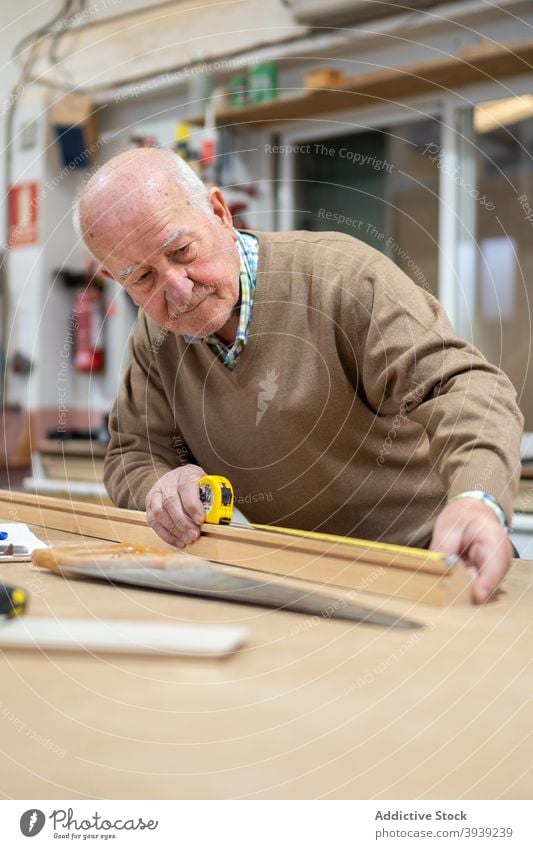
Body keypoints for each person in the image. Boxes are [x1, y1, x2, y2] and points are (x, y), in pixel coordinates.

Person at [75, 147, 523, 603]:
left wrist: (477, 498)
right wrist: (161, 487)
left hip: (439, 562)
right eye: (143, 278)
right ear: (116, 279)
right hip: (307, 578)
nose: (179, 289)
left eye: (182, 251)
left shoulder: (343, 278)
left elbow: (462, 385)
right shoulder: (155, 336)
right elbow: (134, 451)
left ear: (218, 213)